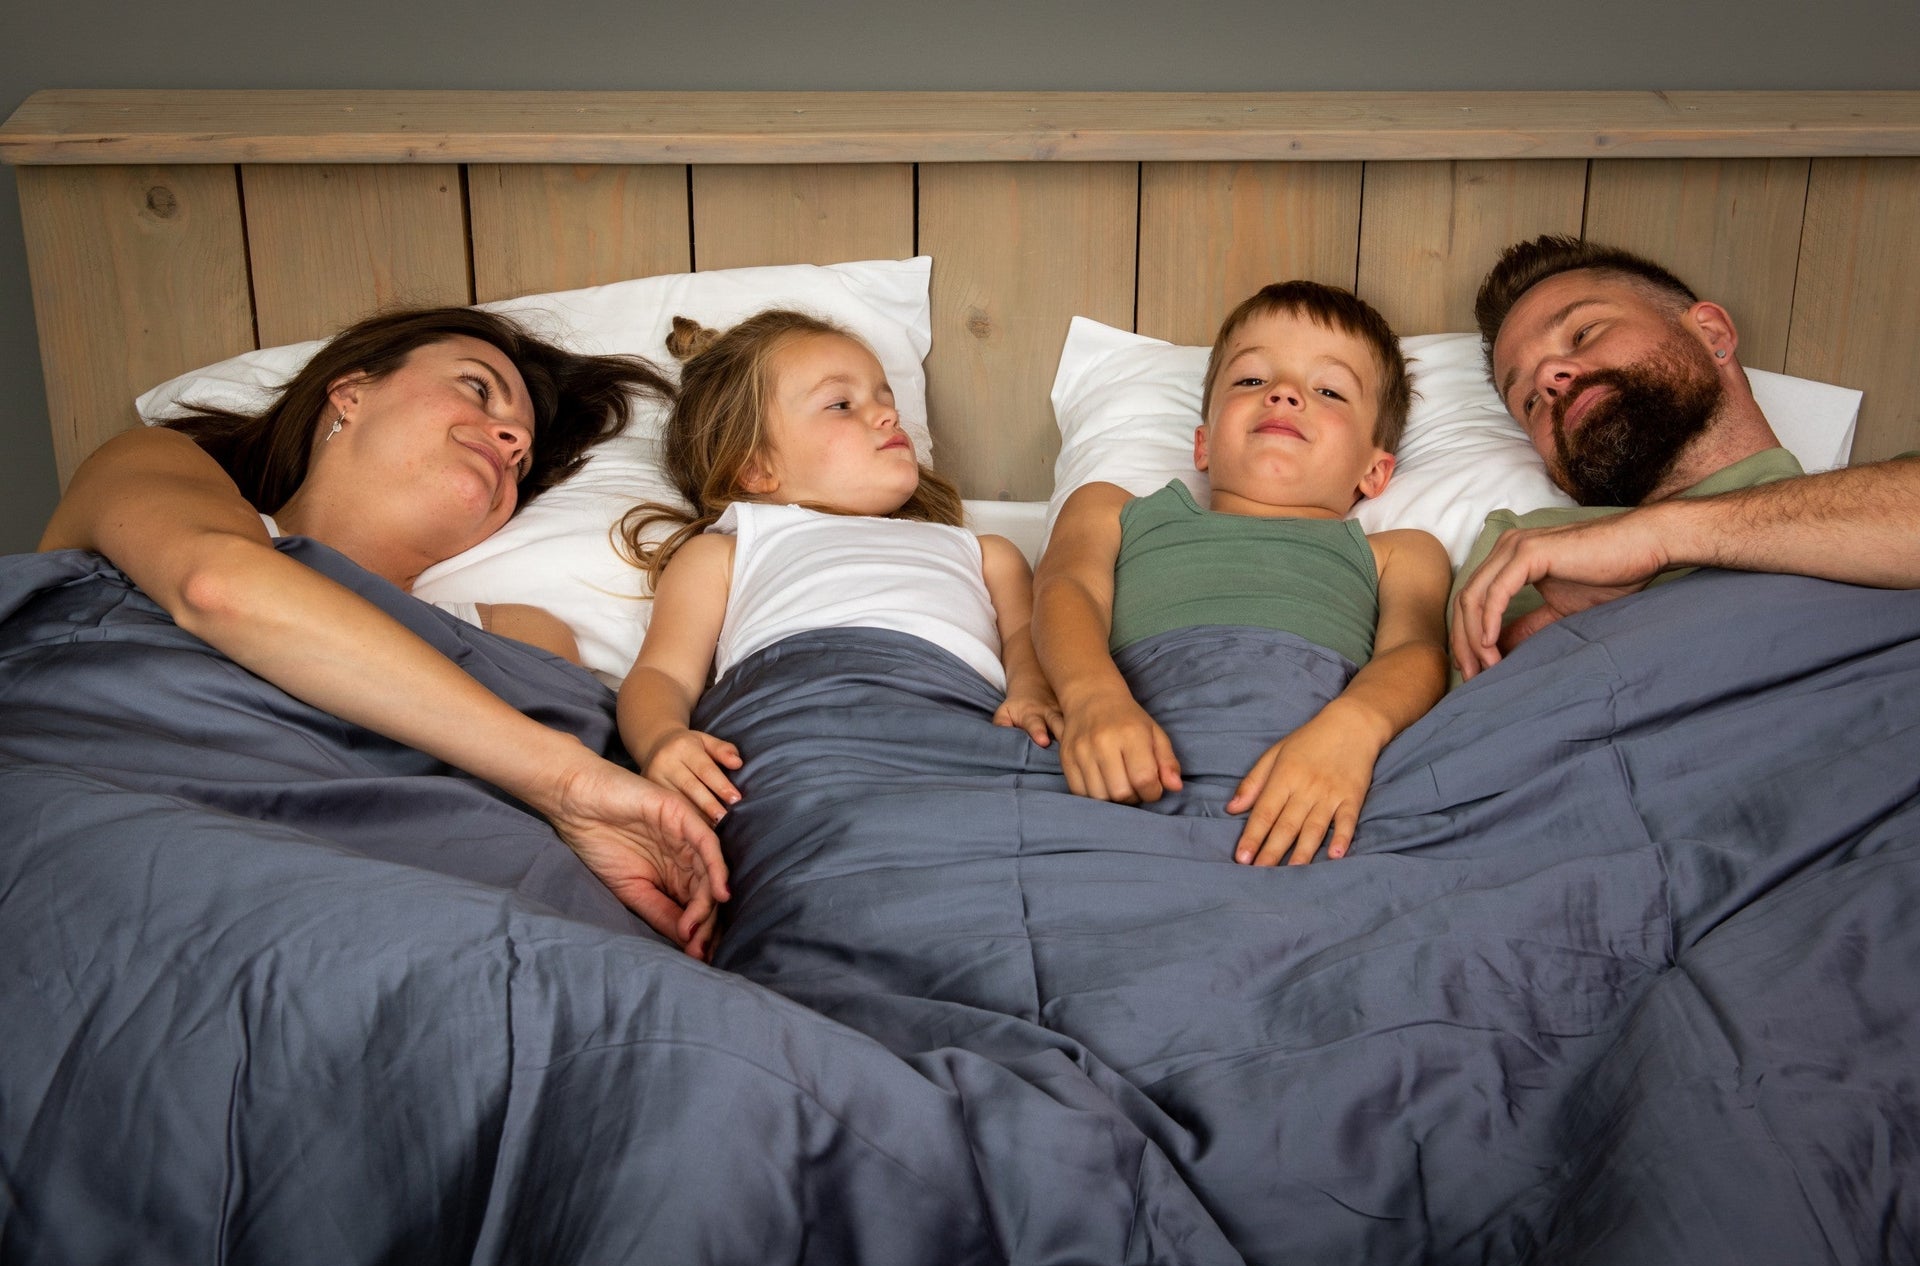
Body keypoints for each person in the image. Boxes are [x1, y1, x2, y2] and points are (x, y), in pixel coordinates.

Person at [39, 305, 729, 958]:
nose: (513, 440)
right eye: (477, 389)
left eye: (521, 458)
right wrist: (569, 781)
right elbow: (216, 585)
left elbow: (526, 843)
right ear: (350, 393)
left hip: (398, 920)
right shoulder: (158, 464)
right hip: (97, 842)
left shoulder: (523, 636)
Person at [1034, 281, 1452, 867]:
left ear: (1375, 473)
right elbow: (1064, 589)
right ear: (1203, 444)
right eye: (1252, 380)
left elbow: (1417, 653)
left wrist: (1351, 730)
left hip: (1312, 778)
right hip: (1128, 749)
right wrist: (1091, 696)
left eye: (1328, 390)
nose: (1283, 394)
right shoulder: (1113, 508)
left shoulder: (1400, 552)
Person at [618, 310, 1061, 824]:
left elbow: (1029, 637)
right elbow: (661, 672)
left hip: (958, 726)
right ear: (757, 467)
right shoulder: (730, 550)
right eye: (841, 404)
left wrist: (1030, 692)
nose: (887, 415)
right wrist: (663, 740)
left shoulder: (985, 553)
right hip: (802, 726)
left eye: (884, 397)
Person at [1452, 234, 1920, 678]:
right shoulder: (1523, 552)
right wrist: (1533, 641)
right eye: (1529, 401)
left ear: (1711, 333)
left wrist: (1660, 537)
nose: (1550, 378)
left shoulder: (1893, 499)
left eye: (1584, 334)